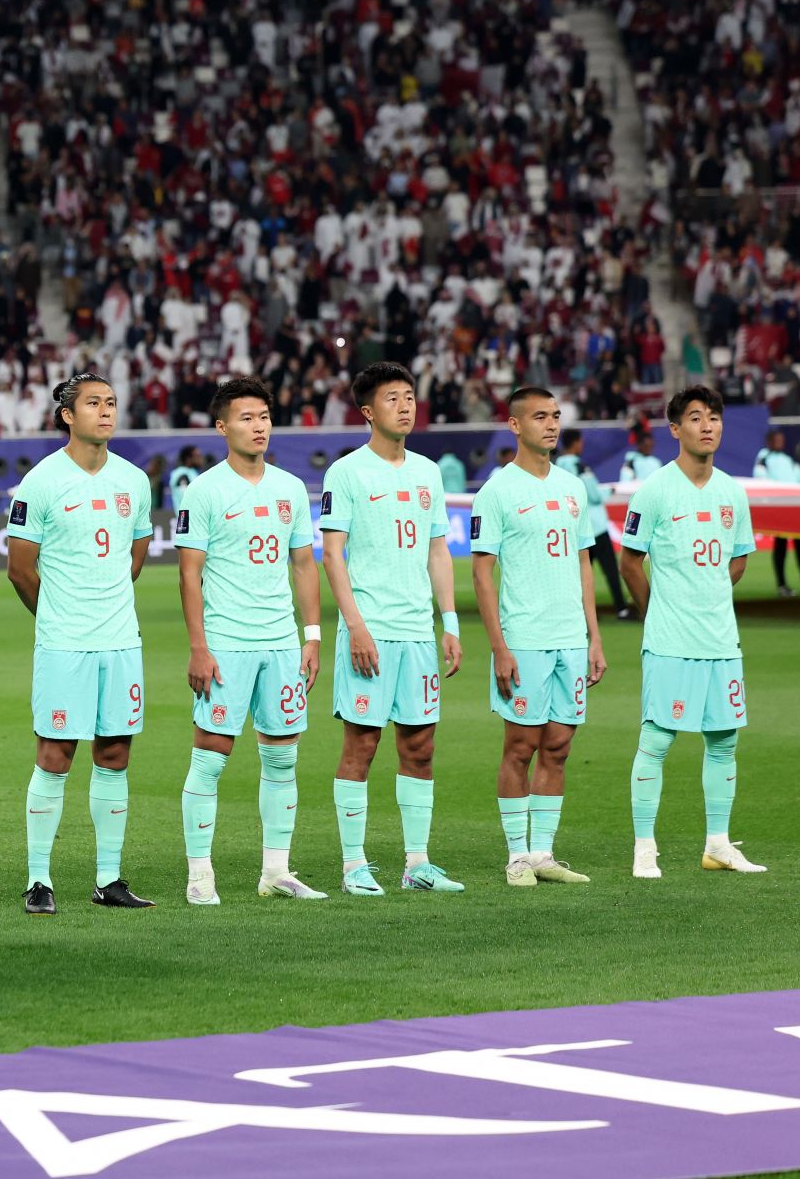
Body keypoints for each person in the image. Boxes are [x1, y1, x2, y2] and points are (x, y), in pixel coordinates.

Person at [7, 372, 155, 915]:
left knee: (114, 753)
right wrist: (61, 616)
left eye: (112, 402)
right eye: (94, 403)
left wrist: (105, 600)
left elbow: (136, 552)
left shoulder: (134, 481)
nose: (106, 411)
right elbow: (20, 570)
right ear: (68, 415)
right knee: (55, 754)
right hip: (64, 642)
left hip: (120, 640)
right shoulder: (42, 482)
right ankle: (39, 879)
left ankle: (109, 879)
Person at [318, 362, 466, 896]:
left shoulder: (428, 472)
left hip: (417, 634)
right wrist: (355, 627)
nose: (405, 406)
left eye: (409, 397)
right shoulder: (347, 473)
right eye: (392, 399)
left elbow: (437, 550)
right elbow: (332, 556)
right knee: (362, 744)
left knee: (420, 745)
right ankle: (353, 865)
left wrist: (448, 623)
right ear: (367, 412)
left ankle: (417, 864)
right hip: (371, 629)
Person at [174, 376, 322, 903]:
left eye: (264, 417)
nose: (258, 427)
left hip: (281, 642)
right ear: (222, 427)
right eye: (246, 418)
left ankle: (276, 872)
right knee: (211, 757)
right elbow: (189, 574)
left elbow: (304, 563)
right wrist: (199, 645)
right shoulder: (205, 490)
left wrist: (311, 635)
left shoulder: (289, 488)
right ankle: (199, 877)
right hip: (227, 643)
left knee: (283, 758)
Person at [620, 386, 765, 878]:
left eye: (715, 418)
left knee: (724, 741)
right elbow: (630, 560)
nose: (708, 426)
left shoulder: (731, 491)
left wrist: (708, 595)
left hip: (722, 639)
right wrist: (655, 608)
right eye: (697, 418)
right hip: (670, 640)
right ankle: (645, 848)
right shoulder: (655, 490)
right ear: (675, 429)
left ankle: (718, 845)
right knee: (656, 741)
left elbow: (739, 557)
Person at [471, 387, 607, 887]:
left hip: (570, 638)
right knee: (521, 745)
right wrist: (499, 646)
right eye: (539, 417)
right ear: (515, 425)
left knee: (559, 746)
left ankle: (543, 854)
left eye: (555, 416)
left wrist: (594, 637)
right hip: (524, 638)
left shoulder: (572, 488)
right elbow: (482, 574)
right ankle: (516, 857)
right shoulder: (497, 491)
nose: (550, 425)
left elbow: (583, 566)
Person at [555, 429, 633, 619]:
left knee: (579, 573)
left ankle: (577, 612)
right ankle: (622, 609)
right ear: (575, 443)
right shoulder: (580, 467)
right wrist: (610, 491)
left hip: (574, 527)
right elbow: (594, 496)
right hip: (595, 526)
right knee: (611, 571)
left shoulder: (555, 467)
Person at [753, 429, 800, 596]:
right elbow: (761, 479)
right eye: (777, 440)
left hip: (794, 507)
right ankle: (782, 585)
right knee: (781, 546)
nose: (781, 442)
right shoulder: (764, 458)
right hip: (779, 508)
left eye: (782, 439)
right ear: (770, 441)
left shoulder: (788, 460)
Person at [166, 445, 202, 512]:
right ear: (188, 459)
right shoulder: (181, 474)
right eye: (197, 456)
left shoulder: (192, 472)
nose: (201, 459)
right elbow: (184, 497)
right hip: (186, 519)